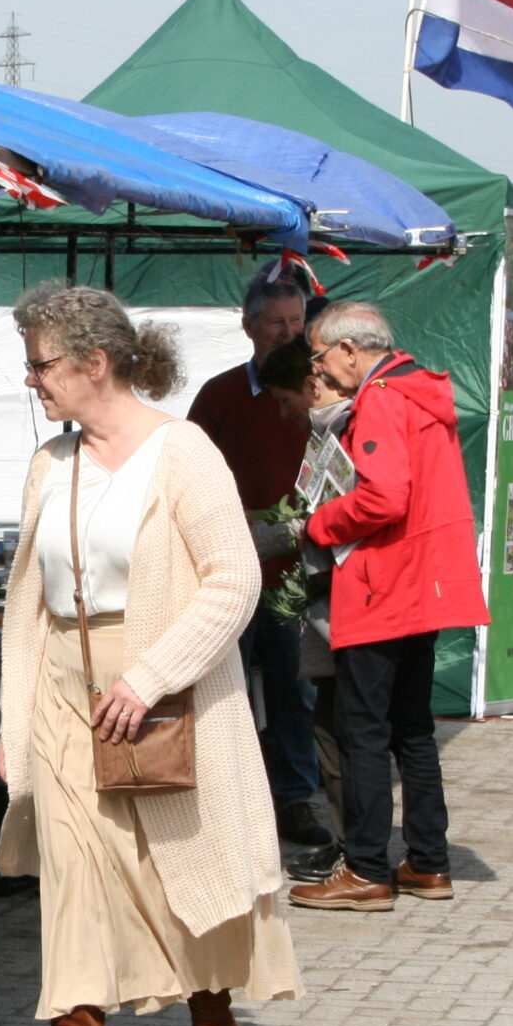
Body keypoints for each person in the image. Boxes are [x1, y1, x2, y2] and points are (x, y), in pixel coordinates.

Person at [0, 281, 295, 1026]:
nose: (31, 380)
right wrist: (15, 720)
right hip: (64, 692)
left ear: (95, 362)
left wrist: (150, 677)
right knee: (73, 874)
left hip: (167, 696)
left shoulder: (183, 451)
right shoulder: (51, 462)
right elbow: (27, 603)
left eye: (41, 364)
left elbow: (233, 582)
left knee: (174, 867)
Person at [290, 303, 489, 911]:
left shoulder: (380, 399)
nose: (320, 370)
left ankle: (367, 869)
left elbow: (382, 497)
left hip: (381, 587)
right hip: (424, 585)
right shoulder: (420, 388)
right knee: (413, 731)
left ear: (349, 350)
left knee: (363, 734)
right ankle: (428, 861)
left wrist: (318, 523)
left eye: (320, 357)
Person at [186, 261, 331, 860]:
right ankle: (231, 802)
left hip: (294, 575)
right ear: (249, 326)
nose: (289, 332)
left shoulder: (323, 396)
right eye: (277, 322)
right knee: (226, 691)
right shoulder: (220, 395)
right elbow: (189, 476)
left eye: (296, 321)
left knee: (295, 690)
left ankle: (296, 799)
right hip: (231, 571)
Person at [258, 337, 351, 839]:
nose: (281, 412)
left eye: (283, 399)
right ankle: (353, 848)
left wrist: (287, 534)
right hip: (327, 607)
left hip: (346, 612)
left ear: (310, 386)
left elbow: (340, 513)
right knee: (330, 728)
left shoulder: (344, 432)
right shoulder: (326, 433)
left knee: (343, 732)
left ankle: (358, 854)